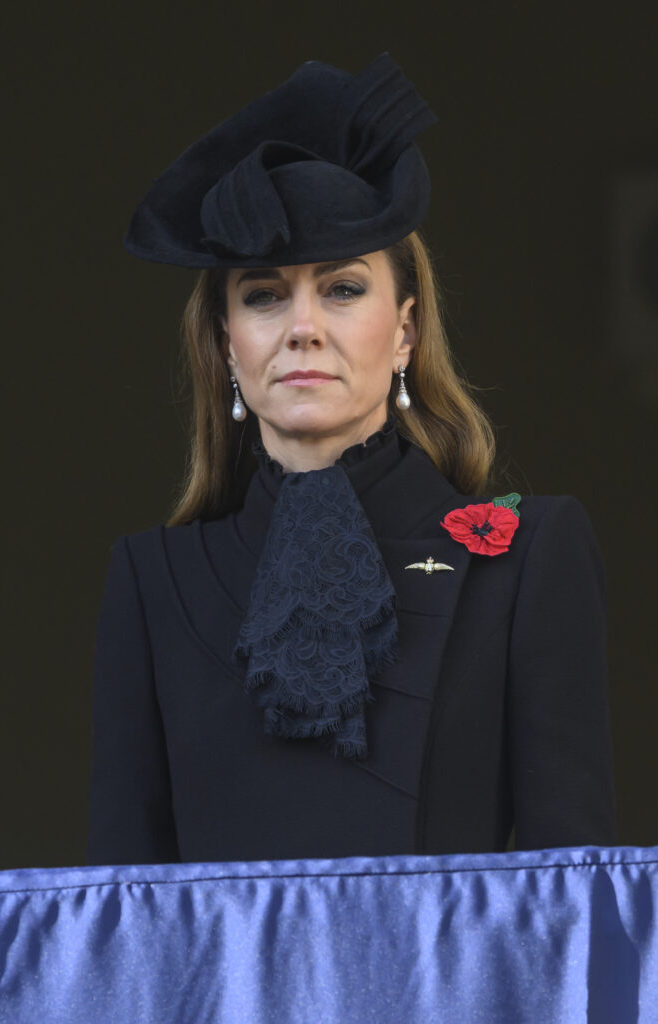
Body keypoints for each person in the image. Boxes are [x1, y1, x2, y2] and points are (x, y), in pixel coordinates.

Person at [86, 52, 616, 866]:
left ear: (404, 329)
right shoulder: (152, 580)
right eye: (263, 295)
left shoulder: (528, 557)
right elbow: (119, 925)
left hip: (457, 997)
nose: (302, 327)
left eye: (340, 288)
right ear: (227, 344)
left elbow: (572, 900)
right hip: (220, 1001)